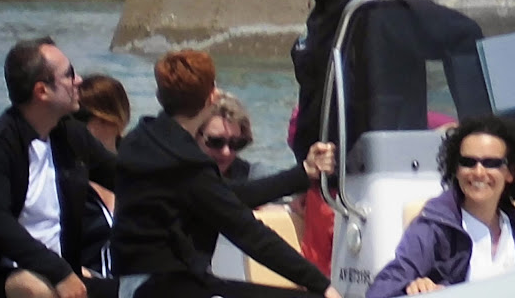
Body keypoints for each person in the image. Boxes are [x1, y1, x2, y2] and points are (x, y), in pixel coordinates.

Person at [282, 0, 491, 274]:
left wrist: (478, 136)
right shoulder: (362, 2)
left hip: (349, 186)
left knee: (329, 282)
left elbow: (464, 35)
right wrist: (483, 131)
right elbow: (465, 35)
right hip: (342, 179)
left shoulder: (364, 4)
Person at [111, 49, 342, 298]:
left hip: (134, 286)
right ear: (212, 96)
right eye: (216, 142)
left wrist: (303, 174)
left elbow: (227, 196)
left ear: (160, 95)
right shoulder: (188, 165)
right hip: (166, 287)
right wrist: (322, 285)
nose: (226, 151)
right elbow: (246, 231)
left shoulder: (140, 140)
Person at [0, 37, 118, 298]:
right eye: (69, 74)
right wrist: (59, 272)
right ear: (42, 91)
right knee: (37, 290)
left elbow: (125, 177)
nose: (79, 80)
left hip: (64, 276)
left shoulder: (71, 136)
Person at [366, 115, 515, 297]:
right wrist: (412, 287)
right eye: (468, 162)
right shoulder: (433, 228)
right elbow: (381, 289)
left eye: (491, 163)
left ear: (510, 173)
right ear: (456, 170)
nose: (478, 172)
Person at [74, 74, 130, 280]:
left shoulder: (141, 169)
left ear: (112, 119)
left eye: (80, 117)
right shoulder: (67, 176)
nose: (71, 125)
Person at [196, 90, 276, 180]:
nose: (226, 152)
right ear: (194, 136)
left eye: (235, 143)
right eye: (216, 142)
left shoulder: (255, 178)